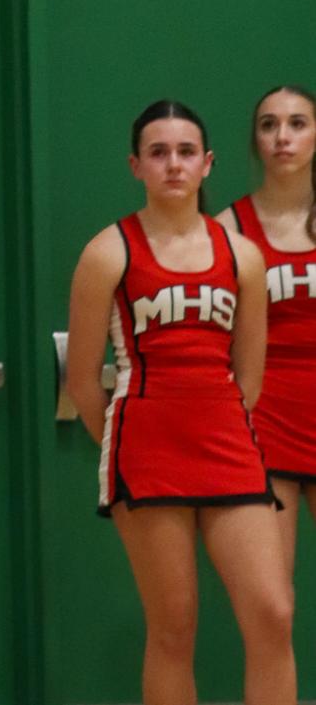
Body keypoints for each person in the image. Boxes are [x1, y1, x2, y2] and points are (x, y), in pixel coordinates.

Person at [67, 99, 293, 705]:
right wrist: (123, 441)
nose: (173, 164)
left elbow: (249, 375)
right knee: (174, 628)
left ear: (208, 163)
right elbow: (85, 380)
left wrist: (218, 419)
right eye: (159, 153)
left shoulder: (242, 254)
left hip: (228, 446)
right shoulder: (107, 252)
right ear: (135, 165)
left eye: (186, 152)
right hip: (147, 449)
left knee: (273, 613)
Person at [220, 86, 316, 579]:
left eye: (298, 123)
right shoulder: (228, 231)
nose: (283, 137)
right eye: (269, 125)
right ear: (255, 140)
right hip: (265, 426)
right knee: (271, 605)